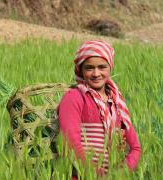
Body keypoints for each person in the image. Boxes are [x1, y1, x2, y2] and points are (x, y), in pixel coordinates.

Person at [58, 40, 141, 178]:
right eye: (89, 68)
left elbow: (135, 148)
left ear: (110, 67)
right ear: (81, 70)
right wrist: (98, 175)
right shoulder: (74, 97)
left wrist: (120, 174)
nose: (96, 73)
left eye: (102, 67)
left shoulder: (117, 102)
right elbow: (70, 143)